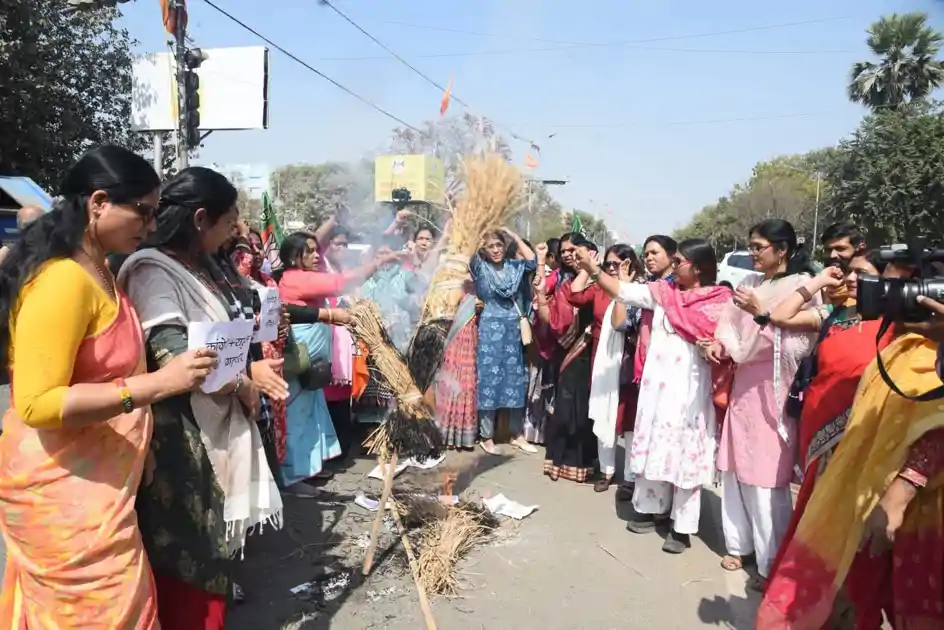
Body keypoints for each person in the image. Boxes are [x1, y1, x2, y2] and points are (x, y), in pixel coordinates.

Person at [0, 146, 218, 628]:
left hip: (102, 488)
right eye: (142, 211)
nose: (152, 225)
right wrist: (157, 385)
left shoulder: (101, 271)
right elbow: (36, 403)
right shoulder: (62, 281)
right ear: (99, 202)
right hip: (62, 497)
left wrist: (140, 447)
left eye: (155, 213)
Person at [119, 167, 285, 629]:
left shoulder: (204, 265)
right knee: (188, 560)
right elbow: (175, 354)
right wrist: (243, 382)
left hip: (214, 424)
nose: (233, 231)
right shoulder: (153, 272)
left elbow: (226, 337)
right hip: (180, 443)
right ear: (198, 218)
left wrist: (247, 367)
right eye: (228, 221)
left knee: (214, 562)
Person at [756, 328, 944, 628]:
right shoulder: (898, 350)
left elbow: (935, 426)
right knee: (852, 587)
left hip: (919, 505)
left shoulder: (922, 356)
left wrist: (903, 489)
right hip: (859, 487)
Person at [590, 238, 730, 553]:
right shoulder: (663, 294)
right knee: (656, 446)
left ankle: (681, 529)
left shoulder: (720, 301)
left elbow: (731, 342)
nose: (674, 266)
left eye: (679, 261)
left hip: (690, 393)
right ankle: (651, 509)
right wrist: (591, 268)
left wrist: (716, 348)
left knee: (684, 456)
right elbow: (623, 292)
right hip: (657, 390)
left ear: (698, 268)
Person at [707, 218, 819, 589]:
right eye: (751, 246)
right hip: (744, 387)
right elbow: (729, 324)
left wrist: (759, 314)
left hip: (775, 389)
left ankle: (772, 560)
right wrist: (722, 344)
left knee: (768, 477)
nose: (753, 253)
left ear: (782, 249)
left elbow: (796, 342)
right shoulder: (749, 283)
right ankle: (739, 544)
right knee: (736, 468)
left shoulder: (801, 287)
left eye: (759, 247)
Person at [569, 243, 645, 492]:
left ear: (630, 264)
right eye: (609, 263)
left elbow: (625, 325)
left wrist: (624, 285)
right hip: (602, 360)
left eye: (618, 263)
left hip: (629, 362)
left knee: (629, 418)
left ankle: (631, 477)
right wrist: (589, 265)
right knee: (605, 414)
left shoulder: (640, 290)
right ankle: (607, 470)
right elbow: (574, 294)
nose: (612, 268)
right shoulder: (600, 289)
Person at [471, 227, 537, 455]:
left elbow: (533, 261)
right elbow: (470, 253)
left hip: (512, 330)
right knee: (489, 381)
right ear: (484, 250)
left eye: (499, 245)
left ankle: (516, 434)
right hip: (489, 329)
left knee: (515, 380)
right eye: (491, 246)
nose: (497, 250)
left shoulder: (514, 267)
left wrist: (514, 235)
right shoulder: (480, 268)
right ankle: (486, 436)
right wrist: (480, 231)